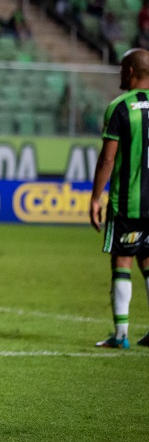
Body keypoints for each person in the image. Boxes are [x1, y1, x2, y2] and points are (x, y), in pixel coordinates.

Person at [89, 48, 149, 349]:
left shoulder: (120, 107)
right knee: (148, 259)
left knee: (122, 259)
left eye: (121, 67)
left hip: (130, 201)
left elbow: (107, 161)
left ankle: (121, 334)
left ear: (130, 71)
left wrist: (95, 198)